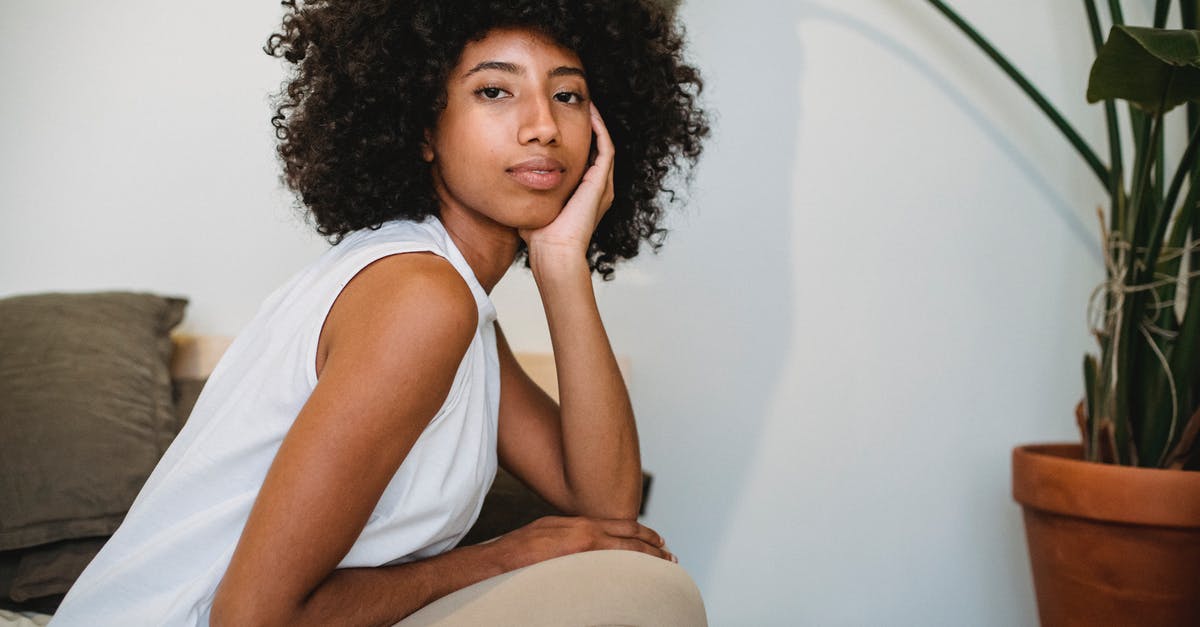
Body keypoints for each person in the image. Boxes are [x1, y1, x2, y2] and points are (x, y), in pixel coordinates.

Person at [51, 0, 708, 624]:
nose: (542, 124)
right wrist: (502, 555)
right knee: (650, 596)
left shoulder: (454, 302)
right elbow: (250, 617)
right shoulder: (420, 297)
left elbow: (606, 511)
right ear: (423, 127)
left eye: (567, 94)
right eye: (495, 91)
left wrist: (563, 268)